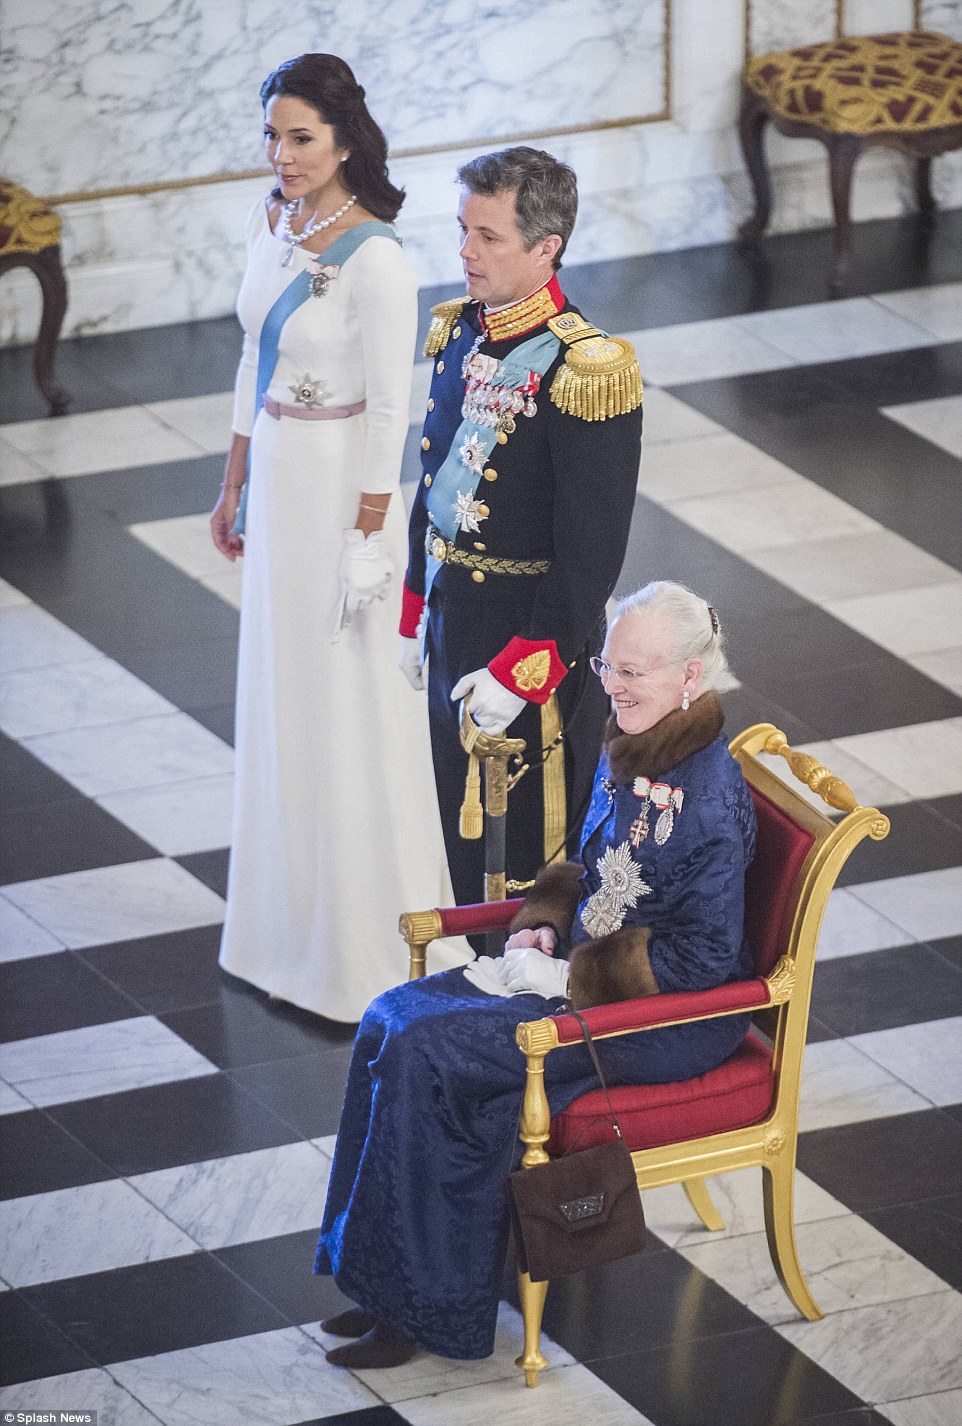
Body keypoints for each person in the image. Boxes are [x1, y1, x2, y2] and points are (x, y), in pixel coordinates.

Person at [316, 582, 757, 1366]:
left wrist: (569, 982)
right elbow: (586, 866)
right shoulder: (640, 740)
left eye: (634, 673)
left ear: (691, 675)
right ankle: (379, 1280)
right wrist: (544, 928)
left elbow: (705, 962)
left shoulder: (712, 801)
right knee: (391, 1015)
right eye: (608, 665)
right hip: (584, 981)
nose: (612, 686)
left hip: (663, 1024)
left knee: (430, 1053)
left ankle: (425, 1311)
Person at [212, 54, 466, 1023]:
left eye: (299, 137)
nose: (280, 155)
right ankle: (277, 933)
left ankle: (359, 945)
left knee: (346, 702)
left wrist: (369, 536)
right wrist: (231, 477)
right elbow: (249, 352)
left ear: (344, 141)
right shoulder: (266, 221)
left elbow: (391, 413)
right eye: (273, 136)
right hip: (277, 478)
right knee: (282, 693)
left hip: (339, 496)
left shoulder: (380, 259)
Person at [397, 146, 644, 907]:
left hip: (529, 638)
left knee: (529, 867)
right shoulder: (460, 332)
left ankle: (530, 1014)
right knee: (463, 842)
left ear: (547, 249)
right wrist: (415, 605)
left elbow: (591, 553)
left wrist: (524, 665)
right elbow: (437, 479)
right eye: (463, 230)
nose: (464, 252)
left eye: (488, 237)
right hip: (454, 621)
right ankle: (479, 997)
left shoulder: (586, 369)